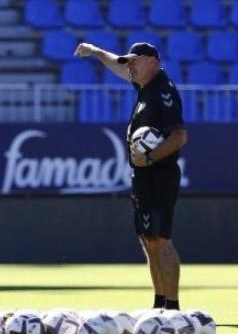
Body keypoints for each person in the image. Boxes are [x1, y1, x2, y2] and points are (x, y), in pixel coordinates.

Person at [74, 41, 188, 310]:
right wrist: (96, 52)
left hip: (159, 174)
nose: (131, 67)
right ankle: (159, 304)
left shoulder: (163, 92)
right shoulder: (145, 86)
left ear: (152, 62)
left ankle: (172, 308)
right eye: (130, 62)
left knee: (160, 239)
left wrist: (149, 157)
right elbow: (119, 66)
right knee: (148, 240)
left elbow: (180, 136)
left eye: (135, 62)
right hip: (143, 175)